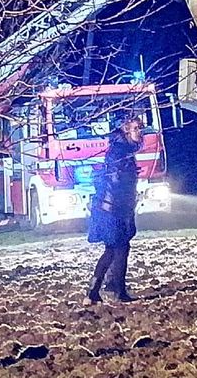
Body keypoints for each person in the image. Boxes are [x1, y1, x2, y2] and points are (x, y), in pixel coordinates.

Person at [84, 115, 144, 305]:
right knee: (118, 248)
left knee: (115, 249)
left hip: (115, 207)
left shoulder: (122, 150)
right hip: (113, 209)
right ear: (126, 130)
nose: (140, 132)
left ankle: (97, 290)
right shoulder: (120, 152)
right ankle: (116, 291)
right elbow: (117, 181)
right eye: (136, 128)